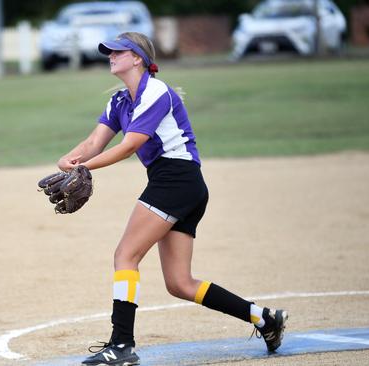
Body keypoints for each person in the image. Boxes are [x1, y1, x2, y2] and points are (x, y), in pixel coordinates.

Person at [56, 32, 288, 366]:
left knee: (126, 255)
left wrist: (84, 170)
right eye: (109, 52)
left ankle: (121, 345)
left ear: (137, 57)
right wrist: (68, 162)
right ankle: (265, 319)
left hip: (175, 181)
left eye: (117, 51)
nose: (110, 55)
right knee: (180, 283)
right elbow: (94, 142)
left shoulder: (156, 91)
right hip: (181, 185)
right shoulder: (120, 102)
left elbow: (129, 146)